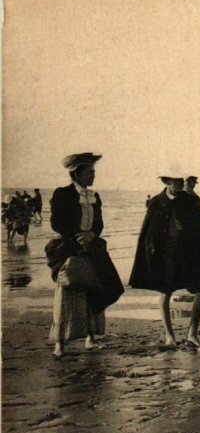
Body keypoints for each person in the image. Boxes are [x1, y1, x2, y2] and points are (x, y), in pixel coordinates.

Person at [130, 170, 200, 348]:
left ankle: (192, 334)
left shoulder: (191, 200)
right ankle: (169, 336)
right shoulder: (156, 202)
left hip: (190, 253)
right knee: (165, 293)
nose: (180, 183)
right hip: (167, 255)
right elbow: (148, 232)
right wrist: (152, 253)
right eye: (176, 181)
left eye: (181, 180)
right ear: (166, 181)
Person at [45, 153, 124, 358]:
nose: (93, 176)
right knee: (67, 291)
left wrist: (92, 234)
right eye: (89, 173)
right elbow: (56, 223)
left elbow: (99, 223)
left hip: (91, 247)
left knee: (95, 290)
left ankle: (91, 338)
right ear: (76, 174)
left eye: (94, 173)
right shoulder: (62, 194)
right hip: (69, 247)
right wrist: (77, 237)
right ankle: (60, 344)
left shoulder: (94, 196)